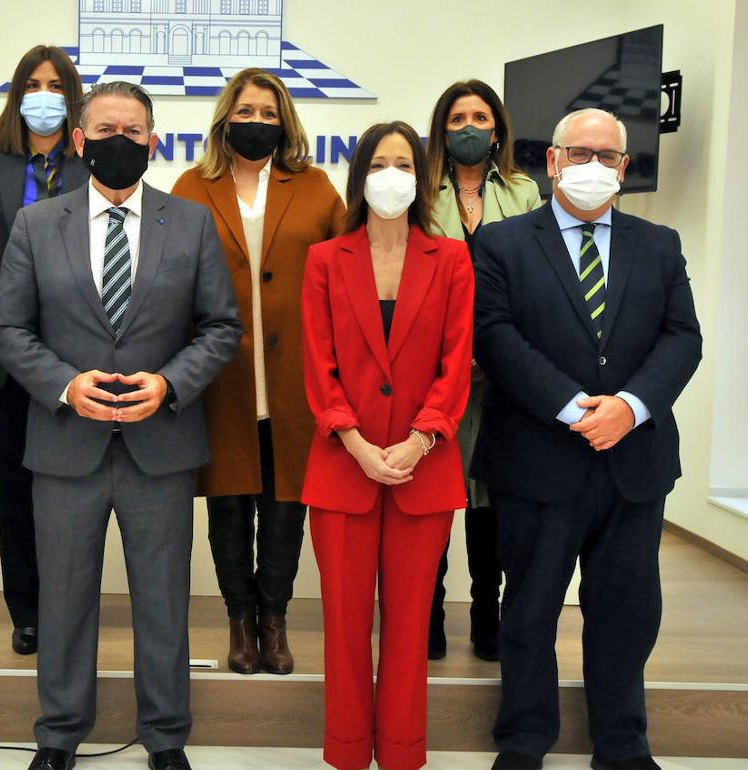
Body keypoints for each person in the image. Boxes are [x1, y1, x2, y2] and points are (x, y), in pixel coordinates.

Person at [0, 81, 242, 770]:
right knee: (64, 602)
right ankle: (59, 735)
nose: (119, 141)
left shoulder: (189, 223)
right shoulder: (39, 225)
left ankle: (165, 739)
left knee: (163, 605)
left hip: (160, 449)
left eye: (133, 131)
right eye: (105, 129)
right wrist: (65, 385)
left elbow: (222, 328)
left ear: (153, 141)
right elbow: (7, 328)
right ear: (79, 140)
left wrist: (171, 384)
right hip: (66, 445)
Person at [472, 108, 702, 770]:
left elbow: (682, 338)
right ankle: (523, 738)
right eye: (580, 153)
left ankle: (623, 743)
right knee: (529, 610)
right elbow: (495, 335)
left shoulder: (659, 244)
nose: (595, 166)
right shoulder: (503, 242)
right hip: (537, 458)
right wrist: (575, 409)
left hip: (635, 460)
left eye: (609, 156)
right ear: (551, 162)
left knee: (627, 612)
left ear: (625, 169)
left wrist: (630, 407)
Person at [301, 122, 473, 770]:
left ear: (421, 176)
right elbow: (320, 366)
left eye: (404, 163)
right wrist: (355, 439)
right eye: (380, 162)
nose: (392, 175)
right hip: (343, 466)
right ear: (360, 174)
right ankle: (346, 753)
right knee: (345, 630)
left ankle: (402, 753)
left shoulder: (451, 259)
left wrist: (420, 439)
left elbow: (457, 363)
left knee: (408, 632)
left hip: (421, 470)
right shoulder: (325, 259)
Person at [171, 68, 344, 676]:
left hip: (297, 378)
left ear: (286, 121)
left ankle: (275, 624)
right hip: (219, 379)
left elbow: (344, 278)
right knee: (227, 504)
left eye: (268, 113)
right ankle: (239, 625)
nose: (256, 123)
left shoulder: (318, 187)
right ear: (225, 118)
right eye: (245, 112)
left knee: (283, 506)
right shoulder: (192, 187)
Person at [0, 45, 89, 657]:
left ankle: (70, 608)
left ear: (72, 98)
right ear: (17, 94)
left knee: (67, 494)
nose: (44, 94)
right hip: (6, 357)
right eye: (32, 84)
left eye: (56, 84)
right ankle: (28, 611)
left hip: (75, 357)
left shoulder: (88, 162)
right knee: (13, 491)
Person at [423, 79, 543, 661]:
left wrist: (496, 349)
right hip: (432, 373)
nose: (469, 127)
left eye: (480, 117)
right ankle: (428, 612)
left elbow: (540, 281)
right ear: (441, 128)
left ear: (498, 128)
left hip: (503, 373)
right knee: (435, 491)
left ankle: (486, 610)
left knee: (490, 494)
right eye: (457, 118)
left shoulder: (524, 192)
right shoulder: (420, 195)